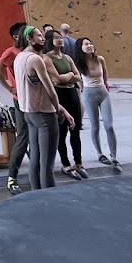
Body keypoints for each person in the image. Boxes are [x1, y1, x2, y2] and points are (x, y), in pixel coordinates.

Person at [14, 26, 74, 190]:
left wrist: (61, 109)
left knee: (35, 159)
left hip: (29, 113)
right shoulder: (35, 60)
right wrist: (57, 109)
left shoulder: (19, 58)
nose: (42, 38)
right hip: (44, 115)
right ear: (29, 39)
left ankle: (36, 196)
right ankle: (50, 200)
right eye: (39, 36)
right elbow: (51, 91)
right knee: (47, 163)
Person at [44, 30, 86, 180]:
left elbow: (78, 76)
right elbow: (57, 79)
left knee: (76, 130)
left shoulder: (67, 57)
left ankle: (79, 162)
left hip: (72, 95)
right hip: (60, 96)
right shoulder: (47, 58)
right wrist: (69, 77)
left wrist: (66, 77)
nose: (60, 40)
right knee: (62, 132)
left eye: (60, 37)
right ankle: (66, 163)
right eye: (56, 38)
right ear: (50, 40)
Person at [0, 21, 28, 195]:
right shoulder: (11, 52)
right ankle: (12, 178)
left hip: (34, 100)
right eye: (25, 32)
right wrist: (10, 88)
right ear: (16, 36)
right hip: (20, 100)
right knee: (23, 137)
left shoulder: (30, 52)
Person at [75, 37, 121, 171]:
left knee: (109, 125)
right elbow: (78, 80)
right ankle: (100, 153)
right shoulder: (79, 63)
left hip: (102, 92)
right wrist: (83, 91)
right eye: (86, 44)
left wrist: (105, 85)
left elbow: (105, 74)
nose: (89, 46)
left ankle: (114, 156)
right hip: (89, 94)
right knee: (95, 126)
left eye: (90, 43)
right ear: (80, 48)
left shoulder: (100, 59)